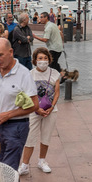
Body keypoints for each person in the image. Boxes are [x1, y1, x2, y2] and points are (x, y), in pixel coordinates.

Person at [0, 38, 38, 170]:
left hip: (17, 127)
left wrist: (9, 114)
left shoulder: (24, 74)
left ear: (11, 52)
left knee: (8, 169)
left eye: (0, 55)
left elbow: (34, 104)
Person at [18, 47, 60, 175]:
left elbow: (57, 93)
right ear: (35, 60)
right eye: (40, 58)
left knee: (46, 137)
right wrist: (37, 109)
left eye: (45, 58)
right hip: (33, 111)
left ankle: (42, 161)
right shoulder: (29, 74)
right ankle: (24, 165)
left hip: (50, 111)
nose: (43, 61)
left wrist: (51, 107)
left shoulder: (55, 73)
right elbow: (26, 94)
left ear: (49, 59)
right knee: (30, 137)